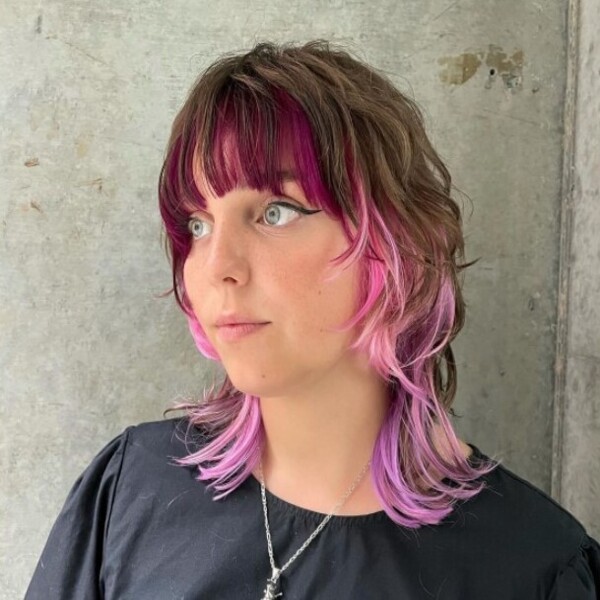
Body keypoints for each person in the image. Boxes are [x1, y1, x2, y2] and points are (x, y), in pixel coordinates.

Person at [26, 40, 599, 600]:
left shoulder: (532, 568)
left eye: (275, 212)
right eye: (198, 224)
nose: (217, 266)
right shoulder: (130, 493)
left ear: (395, 242)